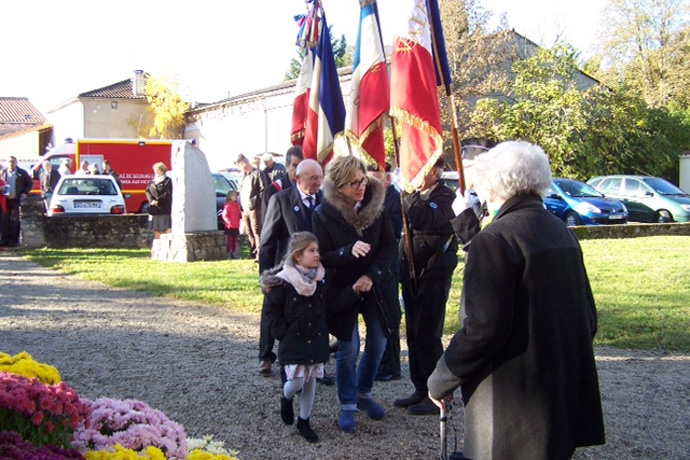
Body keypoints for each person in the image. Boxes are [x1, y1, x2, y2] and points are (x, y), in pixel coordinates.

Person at [428, 141, 605, 460]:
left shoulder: (494, 239)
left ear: (495, 185)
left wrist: (442, 377)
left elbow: (483, 329)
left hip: (510, 407)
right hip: (556, 399)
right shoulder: (561, 232)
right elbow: (588, 319)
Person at [312, 155, 398, 433]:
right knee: (349, 348)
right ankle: (347, 404)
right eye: (352, 184)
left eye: (362, 180)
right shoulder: (322, 213)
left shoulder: (378, 205)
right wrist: (346, 252)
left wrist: (371, 275)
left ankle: (364, 393)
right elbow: (321, 256)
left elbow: (388, 247)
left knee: (380, 341)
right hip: (343, 288)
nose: (360, 187)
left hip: (376, 284)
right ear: (338, 187)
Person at [394, 158, 458, 416]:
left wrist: (407, 194)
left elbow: (423, 219)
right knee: (413, 333)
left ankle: (437, 395)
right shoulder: (418, 195)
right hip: (410, 271)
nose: (413, 175)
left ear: (434, 172)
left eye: (418, 170)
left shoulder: (445, 196)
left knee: (428, 334)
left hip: (432, 271)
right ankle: (421, 388)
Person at [260, 232, 329, 443]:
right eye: (311, 251)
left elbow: (327, 305)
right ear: (298, 256)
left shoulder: (319, 279)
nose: (317, 254)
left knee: (311, 382)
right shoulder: (284, 282)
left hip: (315, 337)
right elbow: (272, 310)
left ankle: (304, 420)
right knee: (297, 381)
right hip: (294, 339)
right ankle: (286, 396)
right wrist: (283, 333)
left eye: (317, 250)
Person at [257, 158, 324, 376]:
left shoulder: (325, 200)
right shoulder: (281, 200)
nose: (318, 182)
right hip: (284, 272)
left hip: (313, 272)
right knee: (273, 310)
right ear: (298, 178)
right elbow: (267, 242)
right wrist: (266, 277)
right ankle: (266, 357)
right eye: (313, 178)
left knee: (311, 315)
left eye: (320, 177)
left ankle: (312, 362)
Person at [367, 163, 403, 382]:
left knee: (389, 314)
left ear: (386, 179)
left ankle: (391, 365)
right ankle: (381, 361)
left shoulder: (393, 199)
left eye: (373, 180)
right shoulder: (373, 199)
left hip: (388, 264)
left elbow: (394, 230)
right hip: (373, 263)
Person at [235, 153, 268, 261]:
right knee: (249, 231)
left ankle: (260, 253)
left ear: (244, 163)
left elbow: (264, 190)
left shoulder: (258, 174)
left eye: (239, 165)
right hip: (245, 209)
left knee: (256, 231)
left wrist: (257, 204)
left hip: (254, 208)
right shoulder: (244, 177)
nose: (239, 168)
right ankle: (253, 252)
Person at [0, 156, 33, 246]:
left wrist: (25, 193)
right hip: (5, 200)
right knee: (5, 220)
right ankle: (4, 240)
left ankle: (13, 241)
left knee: (15, 220)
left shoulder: (22, 173)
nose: (11, 164)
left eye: (13, 162)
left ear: (16, 163)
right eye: (10, 162)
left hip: (16, 199)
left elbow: (30, 183)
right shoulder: (3, 172)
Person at [261, 146, 303, 210]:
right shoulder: (273, 190)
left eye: (302, 166)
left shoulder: (312, 190)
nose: (298, 170)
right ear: (287, 166)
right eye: (295, 165)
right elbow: (266, 218)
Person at [145, 162, 173, 239]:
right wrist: (152, 201)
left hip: (164, 208)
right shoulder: (152, 181)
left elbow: (168, 193)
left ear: (163, 170)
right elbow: (147, 191)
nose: (156, 172)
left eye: (158, 170)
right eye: (155, 170)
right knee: (156, 229)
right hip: (154, 209)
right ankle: (157, 245)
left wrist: (158, 200)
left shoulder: (168, 181)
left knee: (166, 228)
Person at [222, 190, 241, 259]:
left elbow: (239, 215)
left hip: (236, 225)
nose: (235, 197)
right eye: (233, 195)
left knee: (234, 240)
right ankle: (229, 253)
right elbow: (224, 215)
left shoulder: (237, 206)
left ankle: (234, 252)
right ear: (229, 197)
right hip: (230, 226)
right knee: (230, 240)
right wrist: (229, 222)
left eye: (236, 195)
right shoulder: (228, 205)